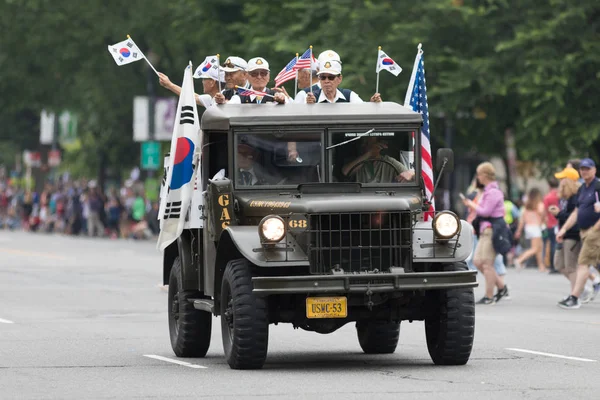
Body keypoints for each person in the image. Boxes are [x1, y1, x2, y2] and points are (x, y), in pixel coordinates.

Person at [462, 162, 509, 305]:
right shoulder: (487, 191)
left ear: (484, 175)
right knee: (477, 261)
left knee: (487, 264)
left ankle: (489, 296)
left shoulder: (494, 192)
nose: (478, 177)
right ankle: (501, 287)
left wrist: (471, 205)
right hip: (484, 230)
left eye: (479, 174)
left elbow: (485, 211)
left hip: (491, 229)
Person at [556, 158, 600, 309]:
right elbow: (576, 212)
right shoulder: (582, 189)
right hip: (583, 231)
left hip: (595, 231)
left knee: (582, 263)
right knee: (596, 264)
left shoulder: (598, 186)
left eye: (588, 168)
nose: (585, 171)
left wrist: (595, 229)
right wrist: (564, 229)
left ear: (594, 170)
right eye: (582, 169)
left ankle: (574, 298)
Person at [550, 167, 581, 300]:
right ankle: (580, 287)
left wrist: (559, 213)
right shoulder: (565, 197)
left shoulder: (575, 197)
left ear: (568, 181)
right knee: (558, 264)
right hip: (563, 234)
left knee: (571, 267)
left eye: (562, 179)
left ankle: (575, 294)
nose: (560, 182)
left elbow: (575, 216)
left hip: (572, 235)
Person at [341, 136, 414, 183]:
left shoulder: (389, 161)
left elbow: (409, 174)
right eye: (364, 143)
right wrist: (368, 154)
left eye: (368, 143)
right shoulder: (355, 161)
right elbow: (345, 172)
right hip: (361, 198)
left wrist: (411, 173)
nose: (364, 145)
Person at [514, 188, 547, 272]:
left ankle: (541, 266)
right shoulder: (539, 205)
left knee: (539, 247)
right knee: (535, 248)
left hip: (528, 227)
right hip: (536, 227)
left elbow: (522, 220)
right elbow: (543, 215)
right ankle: (519, 260)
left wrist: (518, 230)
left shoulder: (526, 206)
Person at [543, 177, 560, 273]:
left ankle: (553, 266)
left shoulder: (547, 197)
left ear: (549, 186)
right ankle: (560, 265)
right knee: (559, 244)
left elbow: (545, 212)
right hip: (560, 222)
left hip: (550, 223)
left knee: (552, 244)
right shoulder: (560, 195)